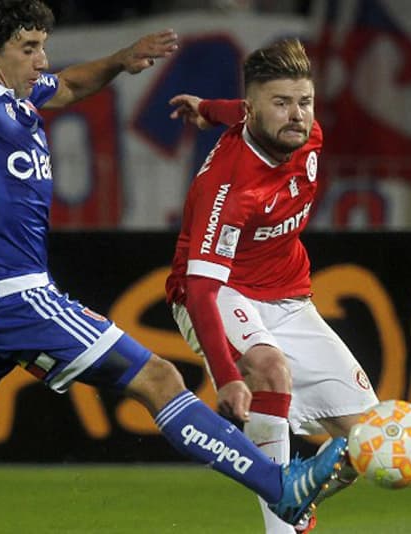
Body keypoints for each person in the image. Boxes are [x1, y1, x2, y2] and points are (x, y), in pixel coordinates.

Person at [0, 2, 347, 533]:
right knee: (159, 379)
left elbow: (74, 84)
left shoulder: (21, 95)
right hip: (17, 296)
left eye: (43, 46)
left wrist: (122, 60)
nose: (42, 60)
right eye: (28, 47)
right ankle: (279, 485)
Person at [164, 39, 379, 533]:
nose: (297, 115)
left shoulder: (304, 133)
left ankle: (294, 500)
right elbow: (200, 292)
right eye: (281, 104)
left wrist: (206, 108)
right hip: (220, 291)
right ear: (256, 108)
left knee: (369, 443)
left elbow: (240, 110)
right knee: (270, 370)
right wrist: (228, 376)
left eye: (304, 102)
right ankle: (283, 528)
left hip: (289, 297)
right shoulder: (229, 186)